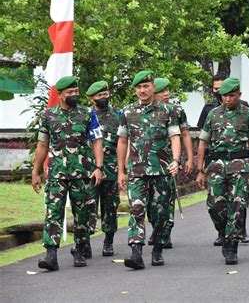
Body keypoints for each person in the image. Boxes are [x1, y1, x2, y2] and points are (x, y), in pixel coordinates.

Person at [32, 75, 104, 271]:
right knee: (53, 213)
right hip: (56, 174)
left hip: (83, 173)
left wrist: (99, 167)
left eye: (76, 92)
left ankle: (79, 250)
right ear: (60, 94)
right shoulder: (48, 116)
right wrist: (35, 171)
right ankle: (51, 255)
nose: (74, 95)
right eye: (70, 92)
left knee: (82, 214)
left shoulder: (88, 114)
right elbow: (42, 145)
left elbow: (97, 141)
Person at [196, 77, 249, 265]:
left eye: (232, 96)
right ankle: (223, 231)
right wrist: (200, 170)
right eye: (224, 96)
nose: (228, 99)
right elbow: (203, 143)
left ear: (239, 95)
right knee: (214, 206)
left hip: (240, 165)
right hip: (216, 166)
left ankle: (232, 245)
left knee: (237, 205)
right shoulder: (213, 114)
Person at [117, 70, 181, 269]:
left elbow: (175, 136)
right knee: (136, 209)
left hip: (161, 170)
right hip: (137, 171)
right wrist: (121, 170)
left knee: (160, 212)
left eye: (146, 86)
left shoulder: (167, 111)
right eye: (138, 87)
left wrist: (176, 160)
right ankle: (136, 252)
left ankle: (158, 249)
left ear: (153, 87)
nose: (142, 90)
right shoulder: (127, 113)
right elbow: (122, 141)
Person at [153, 77, 194, 249]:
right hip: (148, 161)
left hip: (169, 160)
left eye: (167, 90)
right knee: (150, 200)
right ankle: (156, 228)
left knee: (167, 196)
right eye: (162, 91)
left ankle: (165, 232)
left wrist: (189, 157)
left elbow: (185, 134)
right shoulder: (139, 112)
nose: (166, 93)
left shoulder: (175, 110)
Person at [84, 80, 121, 257]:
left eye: (106, 95)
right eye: (100, 96)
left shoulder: (118, 116)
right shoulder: (85, 116)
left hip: (111, 170)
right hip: (89, 170)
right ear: (92, 98)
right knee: (88, 206)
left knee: (111, 207)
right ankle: (85, 241)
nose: (103, 98)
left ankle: (108, 241)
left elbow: (124, 142)